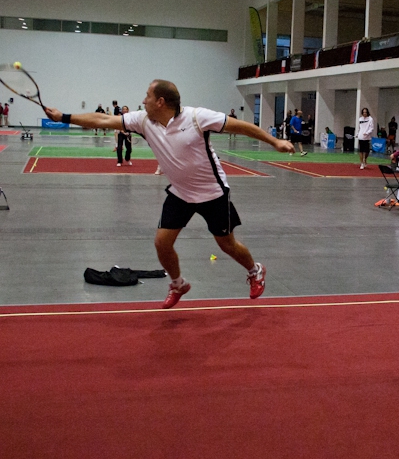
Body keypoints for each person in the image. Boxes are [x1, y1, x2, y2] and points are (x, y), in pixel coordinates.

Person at [43, 80, 294, 309]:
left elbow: (242, 128)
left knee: (226, 244)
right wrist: (64, 116)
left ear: (161, 101)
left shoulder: (197, 117)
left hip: (212, 192)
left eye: (147, 96)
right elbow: (101, 120)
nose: (144, 100)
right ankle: (178, 283)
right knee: (162, 243)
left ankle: (255, 270)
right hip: (181, 193)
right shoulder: (142, 121)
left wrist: (274, 142)